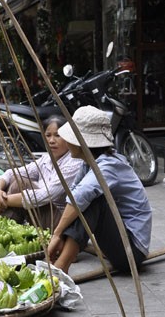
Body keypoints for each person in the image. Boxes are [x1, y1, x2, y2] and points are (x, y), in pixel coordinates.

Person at [47, 105, 152, 274]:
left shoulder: (109, 166)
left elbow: (81, 196)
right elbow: (74, 193)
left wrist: (57, 235)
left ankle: (61, 267)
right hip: (116, 242)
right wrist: (62, 236)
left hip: (131, 251)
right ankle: (63, 260)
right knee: (79, 203)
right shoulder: (89, 164)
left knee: (94, 200)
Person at [0, 115, 83, 231]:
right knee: (17, 179)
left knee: (20, 184)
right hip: (43, 212)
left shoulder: (74, 163)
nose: (51, 141)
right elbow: (11, 173)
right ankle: (4, 230)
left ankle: (2, 229)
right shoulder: (46, 159)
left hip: (60, 221)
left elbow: (44, 195)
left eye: (58, 135)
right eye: (48, 135)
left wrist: (2, 201)